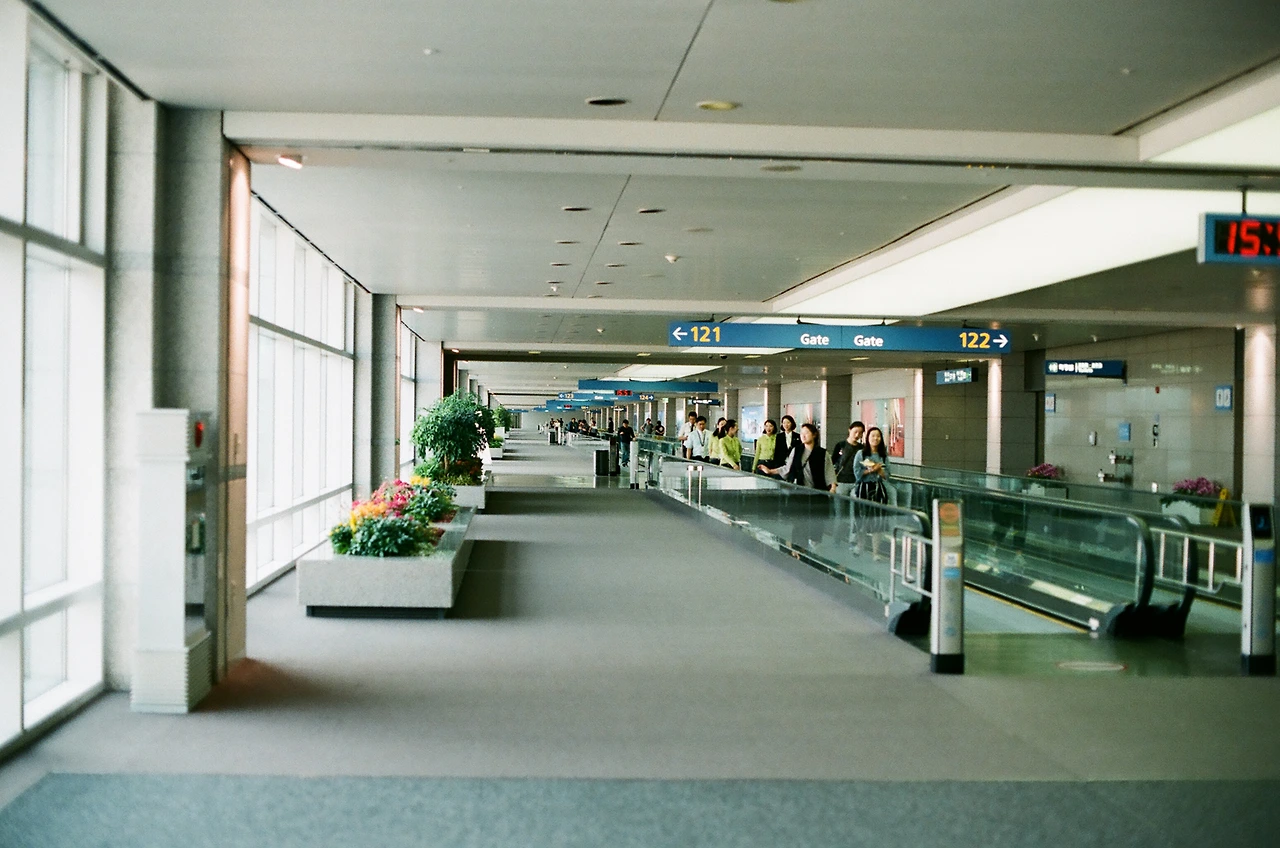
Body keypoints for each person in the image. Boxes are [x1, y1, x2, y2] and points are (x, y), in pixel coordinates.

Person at [852, 426, 892, 554]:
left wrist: (879, 470)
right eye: (873, 436)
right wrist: (871, 470)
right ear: (868, 438)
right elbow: (857, 473)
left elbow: (887, 475)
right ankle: (860, 546)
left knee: (878, 520)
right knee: (861, 518)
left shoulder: (883, 456)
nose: (875, 438)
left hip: (878, 488)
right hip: (863, 488)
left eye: (878, 436)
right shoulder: (861, 454)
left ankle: (876, 552)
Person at [831, 421, 866, 500]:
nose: (857, 435)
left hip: (856, 482)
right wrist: (833, 483)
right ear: (850, 430)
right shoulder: (841, 445)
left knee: (855, 505)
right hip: (841, 481)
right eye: (855, 432)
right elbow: (832, 463)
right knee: (840, 505)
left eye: (860, 433)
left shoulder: (862, 449)